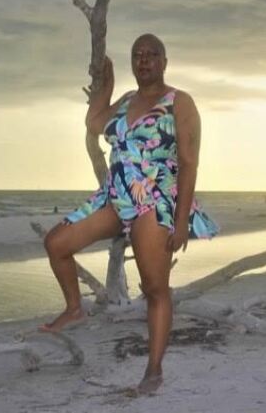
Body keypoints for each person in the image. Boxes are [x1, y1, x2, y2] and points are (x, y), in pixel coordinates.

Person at [40, 33, 219, 394]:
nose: (144, 59)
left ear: (164, 62)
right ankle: (75, 308)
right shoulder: (124, 101)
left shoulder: (179, 102)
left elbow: (188, 163)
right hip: (115, 196)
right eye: (138, 54)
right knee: (56, 243)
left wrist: (181, 219)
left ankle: (154, 370)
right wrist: (106, 88)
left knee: (155, 287)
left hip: (154, 199)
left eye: (152, 54)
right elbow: (95, 125)